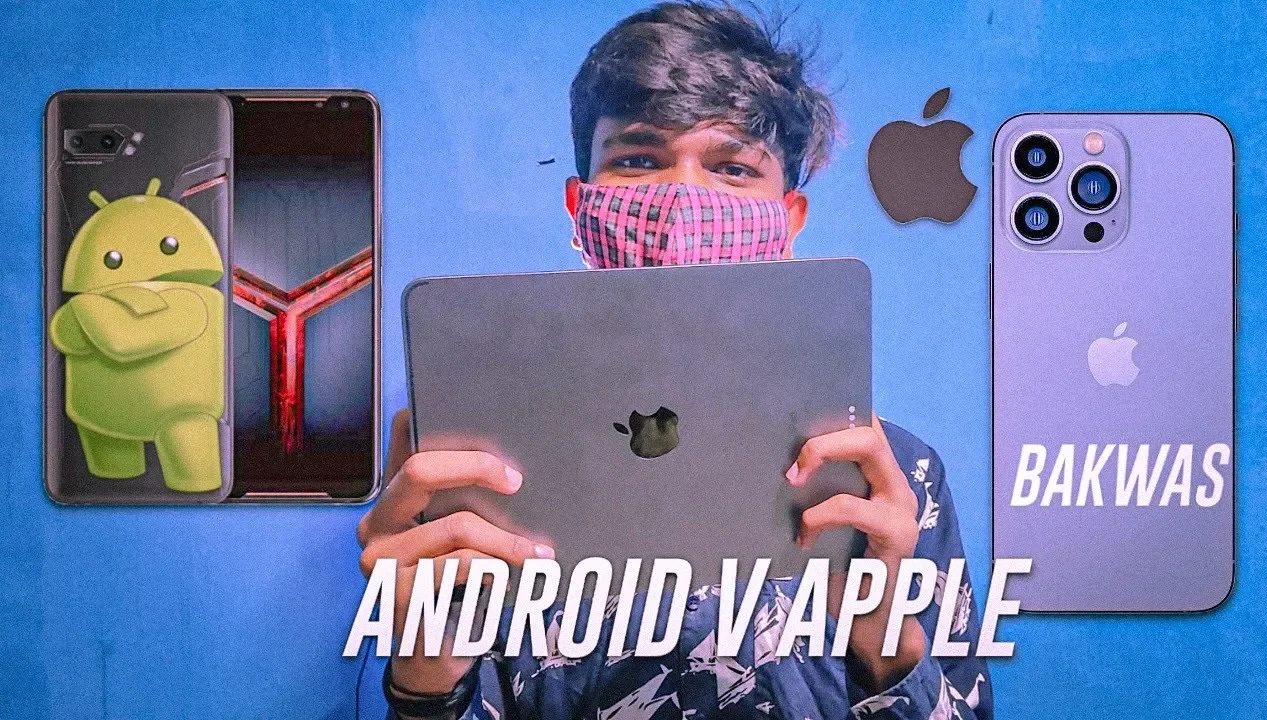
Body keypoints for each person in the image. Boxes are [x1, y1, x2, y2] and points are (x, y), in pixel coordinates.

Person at [358, 3, 991, 718]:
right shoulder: (481, 468)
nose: (682, 199)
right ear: (580, 207)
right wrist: (426, 669)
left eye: (732, 167)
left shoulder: (890, 479)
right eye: (637, 159)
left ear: (788, 221)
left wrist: (887, 638)